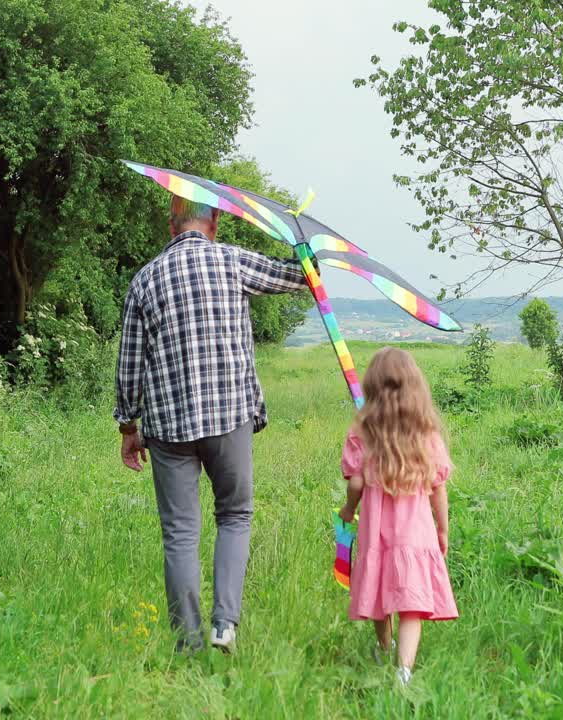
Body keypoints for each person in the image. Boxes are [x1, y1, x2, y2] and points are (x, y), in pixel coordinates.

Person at [114, 195, 307, 653]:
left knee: (180, 531)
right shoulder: (231, 261)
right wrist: (299, 238)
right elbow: (300, 277)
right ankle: (225, 625)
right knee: (235, 516)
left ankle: (188, 642)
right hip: (229, 418)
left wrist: (127, 427)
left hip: (167, 427)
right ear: (215, 221)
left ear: (171, 224)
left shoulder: (145, 280)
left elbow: (129, 364)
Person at [338, 346, 457, 687]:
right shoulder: (425, 432)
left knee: (380, 594)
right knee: (412, 604)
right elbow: (438, 488)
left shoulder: (362, 433)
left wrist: (349, 509)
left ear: (372, 386)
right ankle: (404, 671)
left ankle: (383, 647)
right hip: (416, 534)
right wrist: (443, 530)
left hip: (376, 534)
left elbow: (357, 481)